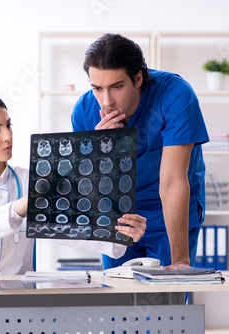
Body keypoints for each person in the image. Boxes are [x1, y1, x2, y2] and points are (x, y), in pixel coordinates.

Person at [0, 92, 146, 275]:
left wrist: (122, 232)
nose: (8, 136)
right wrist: (30, 202)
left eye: (8, 126)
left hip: (15, 301)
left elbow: (70, 227)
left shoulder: (29, 180)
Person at [72, 33, 209, 270]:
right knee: (118, 294)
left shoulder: (175, 95)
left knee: (168, 295)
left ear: (137, 79)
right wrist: (101, 149)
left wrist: (179, 261)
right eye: (97, 88)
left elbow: (173, 182)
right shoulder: (84, 110)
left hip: (168, 205)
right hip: (119, 210)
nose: (106, 101)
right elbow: (88, 189)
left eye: (116, 87)